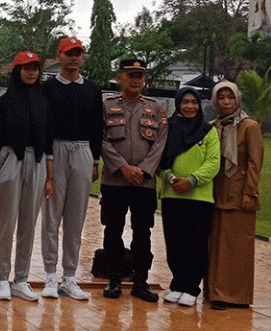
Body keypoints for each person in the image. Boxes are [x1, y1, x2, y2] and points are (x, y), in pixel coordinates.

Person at [0, 52, 53, 302]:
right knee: (6, 223)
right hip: (9, 160)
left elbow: (48, 142)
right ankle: (3, 278)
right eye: (26, 68)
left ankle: (21, 280)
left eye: (35, 68)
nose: (31, 72)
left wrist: (50, 178)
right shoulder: (4, 103)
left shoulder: (43, 102)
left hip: (36, 163)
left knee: (28, 224)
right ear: (17, 71)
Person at [40, 37, 103, 300]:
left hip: (83, 150)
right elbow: (43, 125)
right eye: (69, 53)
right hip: (56, 149)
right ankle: (50, 276)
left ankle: (69, 275)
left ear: (82, 57)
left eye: (78, 54)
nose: (74, 58)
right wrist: (47, 158)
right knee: (52, 217)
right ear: (60, 56)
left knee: (76, 219)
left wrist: (96, 160)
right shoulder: (48, 88)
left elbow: (97, 126)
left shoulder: (92, 89)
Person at [100, 59, 168, 302]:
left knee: (143, 234)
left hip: (144, 183)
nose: (136, 79)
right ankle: (114, 280)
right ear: (120, 78)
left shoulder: (156, 108)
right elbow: (101, 139)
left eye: (140, 75)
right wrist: (122, 168)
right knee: (112, 232)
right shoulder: (107, 107)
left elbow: (160, 142)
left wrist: (143, 170)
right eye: (130, 75)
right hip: (115, 182)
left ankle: (141, 281)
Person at [158, 87, 220, 307]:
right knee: (174, 243)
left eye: (194, 102)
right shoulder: (168, 129)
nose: (190, 106)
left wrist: (191, 180)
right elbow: (159, 160)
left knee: (196, 244)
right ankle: (177, 284)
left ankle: (192, 288)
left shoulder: (208, 131)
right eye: (185, 102)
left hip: (200, 198)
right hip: (172, 194)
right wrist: (172, 178)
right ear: (178, 104)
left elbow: (213, 163)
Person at [205, 81, 264, 311]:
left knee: (237, 248)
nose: (226, 102)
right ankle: (215, 292)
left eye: (231, 97)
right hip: (216, 194)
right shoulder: (213, 126)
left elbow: (255, 162)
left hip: (240, 196)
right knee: (217, 246)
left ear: (238, 99)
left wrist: (250, 192)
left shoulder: (249, 126)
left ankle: (234, 296)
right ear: (215, 101)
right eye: (221, 98)